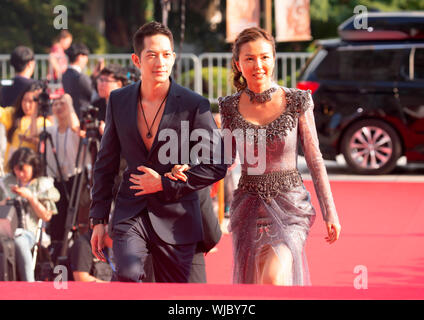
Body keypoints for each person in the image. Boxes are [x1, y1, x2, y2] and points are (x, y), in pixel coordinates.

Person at [89, 21, 227, 283]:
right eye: (151, 55)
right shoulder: (118, 101)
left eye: (166, 54)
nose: (160, 62)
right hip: (133, 212)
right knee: (128, 274)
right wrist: (98, 218)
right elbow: (105, 164)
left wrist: (163, 183)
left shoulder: (193, 104)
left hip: (179, 217)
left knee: (186, 297)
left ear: (174, 58)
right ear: (137, 60)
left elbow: (217, 164)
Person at [218, 27, 341, 285]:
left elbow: (315, 159)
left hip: (290, 207)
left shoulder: (297, 101)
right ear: (238, 64)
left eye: (264, 57)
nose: (258, 65)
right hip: (248, 208)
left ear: (274, 59)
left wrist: (330, 212)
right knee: (253, 285)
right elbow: (223, 161)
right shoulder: (229, 107)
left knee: (274, 279)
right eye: (249, 58)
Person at [0, 147, 60, 281]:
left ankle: (29, 283)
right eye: (17, 169)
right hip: (4, 230)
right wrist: (4, 203)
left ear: (33, 167)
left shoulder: (41, 184)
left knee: (20, 242)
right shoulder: (7, 182)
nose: (20, 174)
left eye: (24, 170)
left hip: (29, 232)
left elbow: (47, 216)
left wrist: (31, 198)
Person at [43, 94, 86, 259]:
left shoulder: (74, 129)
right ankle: (57, 254)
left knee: (73, 218)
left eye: (63, 104)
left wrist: (69, 103)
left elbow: (76, 128)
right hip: (56, 180)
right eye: (56, 104)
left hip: (74, 179)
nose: (59, 107)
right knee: (57, 220)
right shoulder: (51, 131)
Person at [0, 82, 52, 165]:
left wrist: (32, 140)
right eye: (24, 100)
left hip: (30, 170)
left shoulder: (44, 123)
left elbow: (47, 148)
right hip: (11, 168)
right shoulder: (13, 115)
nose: (26, 105)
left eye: (31, 101)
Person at [92, 64, 128, 135]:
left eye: (106, 80)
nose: (101, 84)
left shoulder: (127, 107)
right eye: (100, 79)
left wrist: (109, 131)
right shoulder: (96, 105)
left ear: (119, 84)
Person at [62, 43, 93, 118]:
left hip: (70, 115)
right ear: (80, 57)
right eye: (85, 56)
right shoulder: (81, 77)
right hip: (84, 116)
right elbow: (93, 94)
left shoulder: (65, 75)